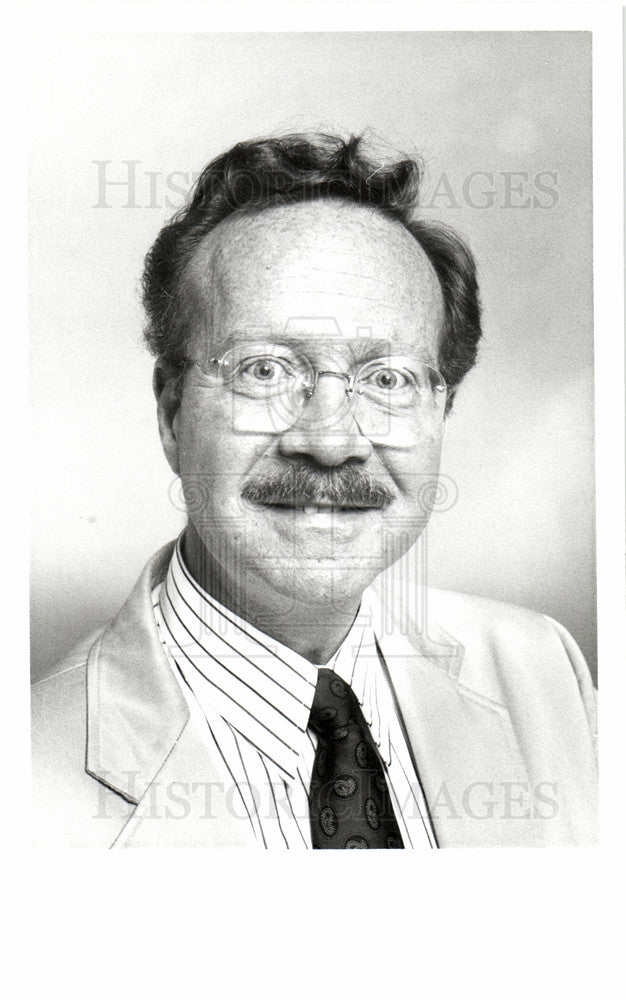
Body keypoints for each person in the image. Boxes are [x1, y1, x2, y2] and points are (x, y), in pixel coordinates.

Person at [31, 132, 598, 848]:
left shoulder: (546, 672)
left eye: (387, 379)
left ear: (441, 411)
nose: (330, 441)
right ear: (172, 413)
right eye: (264, 371)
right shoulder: (25, 786)